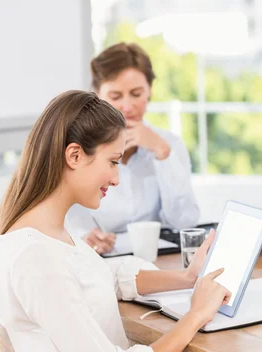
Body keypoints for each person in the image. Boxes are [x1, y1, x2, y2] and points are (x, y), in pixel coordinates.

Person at [0, 90, 230, 352]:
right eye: (113, 162)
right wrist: (195, 315)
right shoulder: (37, 258)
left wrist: (186, 278)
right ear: (74, 155)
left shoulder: (46, 235)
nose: (116, 179)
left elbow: (103, 274)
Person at [67, 43, 200, 255]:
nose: (127, 107)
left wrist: (162, 154)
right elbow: (66, 218)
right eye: (115, 96)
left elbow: (184, 222)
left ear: (149, 91)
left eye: (136, 94)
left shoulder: (169, 144)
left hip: (158, 258)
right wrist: (83, 235)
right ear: (97, 95)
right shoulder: (77, 148)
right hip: (100, 259)